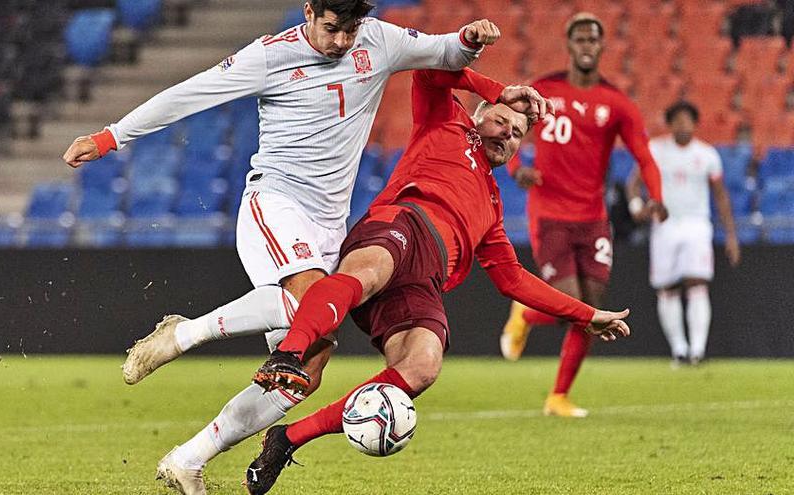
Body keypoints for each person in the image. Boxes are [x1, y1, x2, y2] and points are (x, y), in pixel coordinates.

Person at [62, 2, 511, 493]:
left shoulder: (378, 41)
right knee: (308, 303)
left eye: (350, 29)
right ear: (309, 12)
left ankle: (189, 458)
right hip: (275, 202)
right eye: (331, 28)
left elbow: (444, 53)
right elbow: (191, 94)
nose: (341, 41)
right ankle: (182, 335)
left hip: (328, 227)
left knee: (308, 370)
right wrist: (111, 137)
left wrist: (470, 40)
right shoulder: (272, 56)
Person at [246, 67, 632, 494]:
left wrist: (586, 314)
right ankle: (289, 354)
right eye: (501, 120)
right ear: (480, 115)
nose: (507, 134)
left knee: (423, 366)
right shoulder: (447, 122)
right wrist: (497, 84)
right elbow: (430, 71)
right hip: (403, 222)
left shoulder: (491, 209)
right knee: (368, 272)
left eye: (518, 133)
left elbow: (515, 281)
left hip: (425, 279)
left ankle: (287, 439)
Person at [499, 12, 667, 418]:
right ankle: (524, 312)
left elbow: (644, 155)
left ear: (602, 46)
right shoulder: (543, 91)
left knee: (593, 308)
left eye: (594, 39)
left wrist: (657, 197)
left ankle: (558, 397)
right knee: (574, 304)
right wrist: (517, 167)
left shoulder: (617, 103)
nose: (587, 45)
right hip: (550, 211)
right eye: (581, 39)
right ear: (570, 45)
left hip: (593, 217)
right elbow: (505, 126)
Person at [627, 101, 741, 367]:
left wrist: (731, 236)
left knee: (697, 282)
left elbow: (721, 197)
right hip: (664, 224)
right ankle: (679, 349)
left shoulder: (707, 154)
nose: (683, 125)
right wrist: (636, 207)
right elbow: (633, 183)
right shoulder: (655, 149)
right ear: (669, 124)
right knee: (667, 288)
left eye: (687, 120)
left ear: (695, 123)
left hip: (696, 224)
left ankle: (697, 350)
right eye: (677, 120)